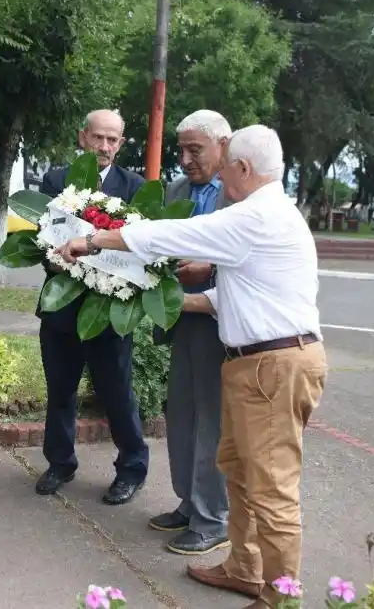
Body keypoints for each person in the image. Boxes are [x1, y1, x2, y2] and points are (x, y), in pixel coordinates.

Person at [55, 124, 326, 609]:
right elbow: (233, 298)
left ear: (243, 168)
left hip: (272, 368)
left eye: (225, 168)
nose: (220, 178)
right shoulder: (273, 214)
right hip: (260, 364)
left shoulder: (255, 215)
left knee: (272, 488)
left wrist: (94, 241)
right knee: (239, 472)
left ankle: (280, 598)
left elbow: (174, 234)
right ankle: (245, 569)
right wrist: (160, 300)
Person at [34, 109, 150, 506]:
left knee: (117, 394)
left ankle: (131, 469)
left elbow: (140, 249)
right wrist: (57, 257)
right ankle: (60, 463)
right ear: (83, 137)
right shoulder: (55, 181)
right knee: (60, 391)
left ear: (121, 143)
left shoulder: (135, 187)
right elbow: (44, 238)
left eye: (112, 139)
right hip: (61, 309)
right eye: (98, 137)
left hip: (110, 313)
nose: (104, 146)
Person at [147, 110, 233, 556]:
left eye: (194, 150)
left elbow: (253, 255)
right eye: (180, 150)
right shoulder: (177, 190)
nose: (184, 159)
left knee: (212, 422)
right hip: (180, 316)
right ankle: (189, 501)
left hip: (221, 322)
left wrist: (210, 267)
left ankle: (213, 518)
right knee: (181, 414)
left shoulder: (239, 194)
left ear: (223, 145)